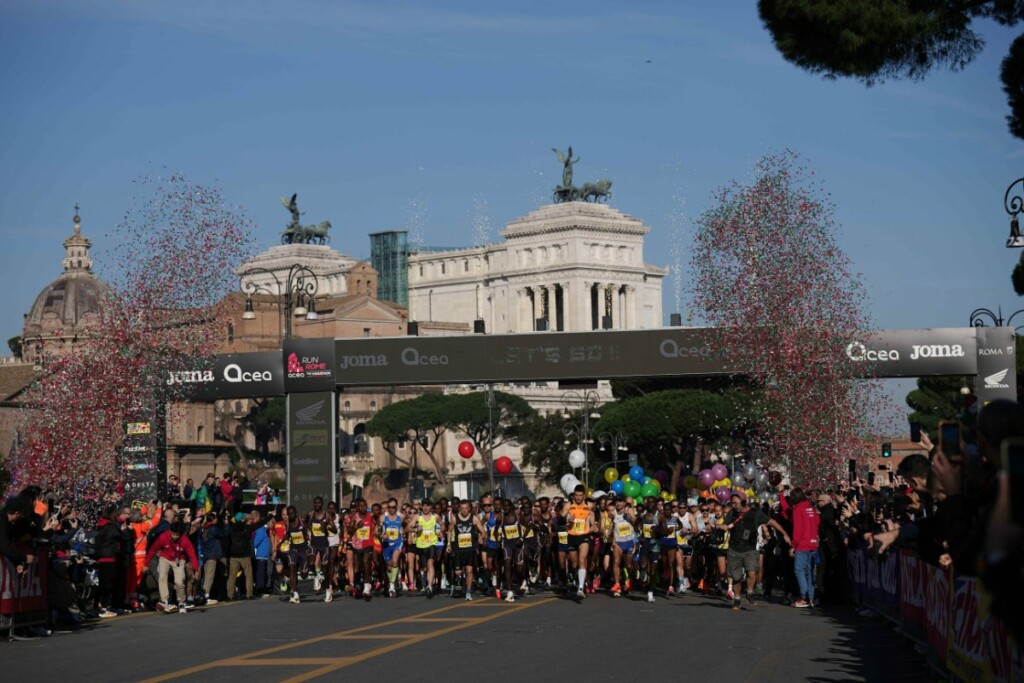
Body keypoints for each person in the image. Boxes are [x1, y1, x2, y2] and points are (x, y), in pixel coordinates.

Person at [723, 493, 790, 611]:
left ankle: (749, 592)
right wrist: (721, 527)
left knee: (752, 572)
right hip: (734, 549)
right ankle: (737, 599)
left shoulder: (756, 513)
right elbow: (724, 524)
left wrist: (784, 534)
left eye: (735, 503)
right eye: (732, 503)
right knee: (736, 577)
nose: (733, 505)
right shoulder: (731, 513)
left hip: (750, 548)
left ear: (743, 502)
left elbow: (772, 522)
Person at [144, 521, 199, 614]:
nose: (174, 536)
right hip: (164, 557)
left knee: (179, 581)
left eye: (177, 535)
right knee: (162, 576)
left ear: (181, 534)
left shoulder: (185, 540)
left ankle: (181, 602)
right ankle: (164, 600)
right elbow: (152, 550)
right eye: (173, 534)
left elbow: (192, 554)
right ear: (170, 531)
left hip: (179, 559)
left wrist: (196, 570)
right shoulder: (163, 537)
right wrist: (146, 564)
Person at [780, 487, 820, 608]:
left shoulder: (798, 509)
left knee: (799, 571)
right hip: (813, 544)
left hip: (803, 544)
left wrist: (793, 546)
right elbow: (817, 522)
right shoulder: (811, 508)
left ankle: (803, 598)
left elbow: (797, 529)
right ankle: (810, 598)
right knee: (809, 573)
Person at [450, 499, 485, 601]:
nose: (464, 510)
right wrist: (449, 544)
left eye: (466, 508)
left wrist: (481, 537)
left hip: (470, 548)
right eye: (462, 508)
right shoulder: (455, 518)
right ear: (459, 509)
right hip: (459, 549)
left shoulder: (474, 518)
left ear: (469, 508)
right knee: (458, 572)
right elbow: (449, 531)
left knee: (470, 571)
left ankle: (468, 592)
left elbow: (483, 531)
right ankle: (461, 578)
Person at [566, 485, 595, 601]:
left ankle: (581, 588)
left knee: (582, 560)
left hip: (584, 537)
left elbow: (593, 523)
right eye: (576, 495)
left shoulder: (588, 507)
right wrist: (568, 519)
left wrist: (594, 527)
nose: (578, 497)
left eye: (580, 495)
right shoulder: (569, 506)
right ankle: (578, 581)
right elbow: (562, 517)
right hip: (572, 536)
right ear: (574, 495)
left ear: (584, 495)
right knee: (574, 564)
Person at [347, 498, 376, 601]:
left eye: (364, 506)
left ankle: (367, 587)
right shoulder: (355, 517)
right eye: (360, 506)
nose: (362, 508)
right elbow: (349, 531)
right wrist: (356, 527)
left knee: (366, 561)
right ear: (357, 508)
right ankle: (360, 583)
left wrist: (378, 530)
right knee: (359, 566)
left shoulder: (371, 516)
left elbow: (378, 525)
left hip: (368, 543)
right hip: (358, 545)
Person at [226, 512, 257, 601]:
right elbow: (258, 524)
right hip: (245, 555)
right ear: (243, 519)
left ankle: (229, 595)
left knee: (232, 576)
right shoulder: (246, 528)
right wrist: (269, 516)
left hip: (233, 555)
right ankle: (249, 594)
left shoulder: (232, 527)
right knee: (248, 575)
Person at [380, 498, 404, 597]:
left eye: (393, 507)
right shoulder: (382, 517)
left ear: (396, 507)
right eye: (389, 507)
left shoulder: (401, 516)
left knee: (395, 561)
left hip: (398, 542)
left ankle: (392, 586)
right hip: (386, 544)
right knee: (389, 567)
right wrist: (382, 535)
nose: (391, 509)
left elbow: (407, 526)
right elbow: (378, 531)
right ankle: (394, 580)